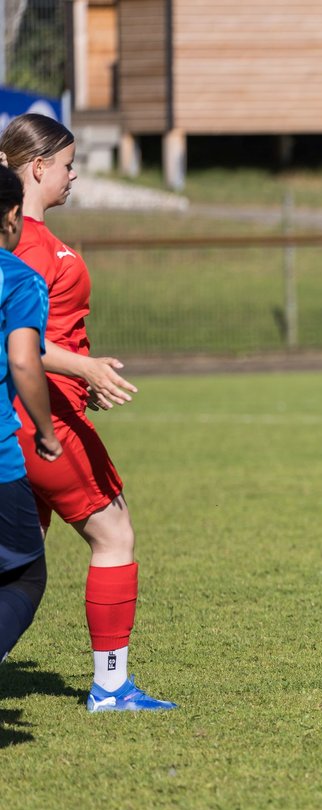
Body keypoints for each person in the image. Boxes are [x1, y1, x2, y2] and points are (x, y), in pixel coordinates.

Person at [0, 114, 176, 711]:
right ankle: (110, 686)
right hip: (41, 423)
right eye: (69, 164)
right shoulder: (24, 238)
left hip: (46, 411)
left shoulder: (36, 237)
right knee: (114, 534)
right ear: (39, 166)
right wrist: (85, 368)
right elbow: (20, 341)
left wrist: (82, 375)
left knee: (19, 562)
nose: (74, 176)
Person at [0, 162, 62, 663]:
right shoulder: (19, 278)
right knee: (24, 575)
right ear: (13, 216)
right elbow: (24, 359)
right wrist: (44, 429)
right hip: (0, 459)